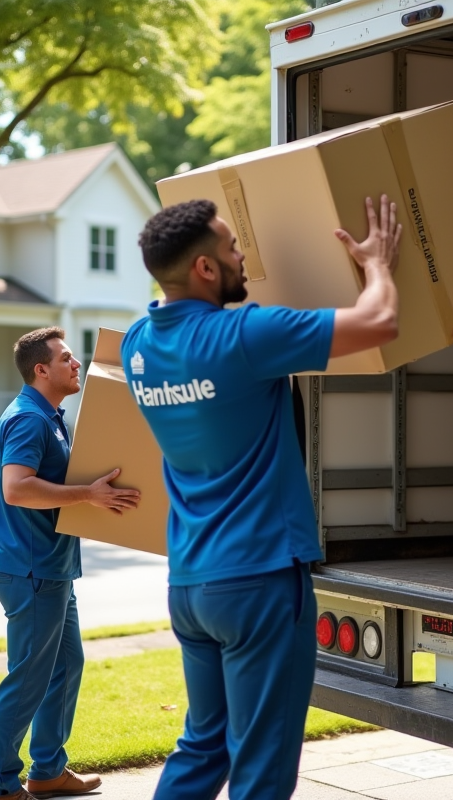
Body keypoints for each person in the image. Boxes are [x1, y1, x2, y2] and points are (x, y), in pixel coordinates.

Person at [125, 195, 401, 799]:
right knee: (263, 767)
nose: (243, 253)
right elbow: (379, 323)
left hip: (192, 582)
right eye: (231, 246)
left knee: (202, 747)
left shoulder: (137, 348)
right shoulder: (245, 335)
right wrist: (377, 263)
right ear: (204, 269)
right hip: (259, 580)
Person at [0, 327, 142, 800]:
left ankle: (48, 770)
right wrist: (88, 495)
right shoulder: (29, 419)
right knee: (27, 680)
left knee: (67, 664)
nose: (77, 364)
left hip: (50, 567)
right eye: (67, 358)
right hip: (31, 571)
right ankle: (0, 784)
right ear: (41, 369)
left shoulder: (48, 416)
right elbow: (17, 487)